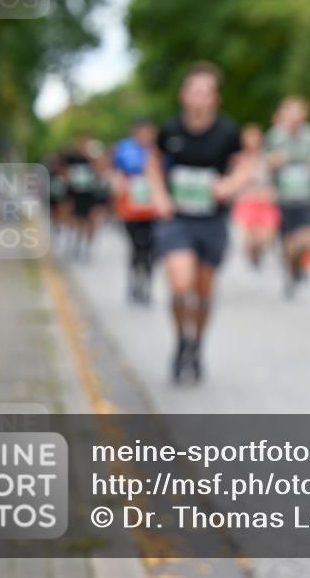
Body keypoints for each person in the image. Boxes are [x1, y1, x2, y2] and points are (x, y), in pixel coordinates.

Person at [146, 62, 241, 382]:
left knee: (202, 293)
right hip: (178, 219)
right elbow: (153, 165)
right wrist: (160, 195)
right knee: (179, 284)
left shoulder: (227, 132)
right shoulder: (170, 130)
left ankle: (197, 344)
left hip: (212, 221)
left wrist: (230, 184)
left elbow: (245, 166)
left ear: (216, 98)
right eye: (194, 91)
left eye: (206, 92)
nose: (199, 98)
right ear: (183, 95)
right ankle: (180, 340)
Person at [266, 96, 310, 299]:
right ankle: (291, 272)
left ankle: (298, 266)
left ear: (305, 114)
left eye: (299, 112)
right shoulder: (275, 136)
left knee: (306, 241)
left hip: (307, 194)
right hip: (284, 197)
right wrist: (274, 162)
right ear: (284, 113)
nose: (295, 116)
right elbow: (265, 163)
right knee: (289, 244)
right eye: (291, 111)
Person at [113, 118, 158, 305]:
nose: (146, 136)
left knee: (150, 251)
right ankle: (134, 283)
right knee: (136, 248)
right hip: (131, 209)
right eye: (143, 132)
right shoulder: (123, 149)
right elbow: (115, 173)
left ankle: (146, 286)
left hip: (154, 211)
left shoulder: (158, 150)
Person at [230, 123, 280, 270]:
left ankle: (258, 252)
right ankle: (252, 254)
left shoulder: (268, 158)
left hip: (265, 201)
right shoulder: (238, 159)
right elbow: (234, 181)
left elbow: (277, 177)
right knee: (250, 237)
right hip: (247, 201)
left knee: (267, 236)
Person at [61, 133, 100, 260]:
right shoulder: (71, 158)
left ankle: (87, 247)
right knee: (75, 219)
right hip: (75, 193)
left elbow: (100, 171)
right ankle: (74, 242)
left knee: (90, 219)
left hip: (89, 193)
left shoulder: (92, 158)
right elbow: (64, 172)